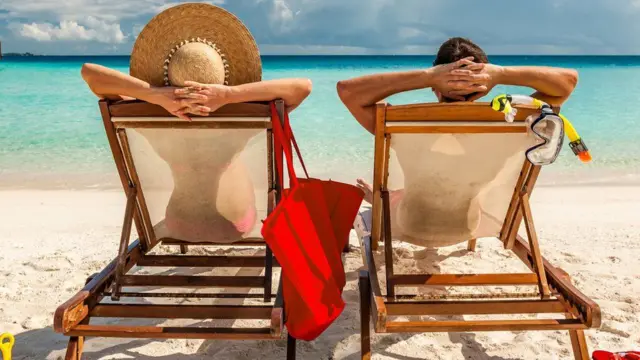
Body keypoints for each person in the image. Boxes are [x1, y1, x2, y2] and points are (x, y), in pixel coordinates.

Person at [82, 3, 312, 242]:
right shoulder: (245, 118)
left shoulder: (149, 119)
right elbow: (303, 87)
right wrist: (227, 95)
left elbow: (90, 74)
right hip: (235, 227)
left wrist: (157, 96)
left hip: (178, 224)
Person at [337, 37, 579, 244]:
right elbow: (567, 84)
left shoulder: (398, 124)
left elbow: (348, 92)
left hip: (410, 224)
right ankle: (383, 198)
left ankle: (378, 199)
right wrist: (501, 74)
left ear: (435, 87)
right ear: (484, 86)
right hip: (467, 226)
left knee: (421, 186)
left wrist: (429, 76)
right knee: (447, 182)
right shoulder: (508, 125)